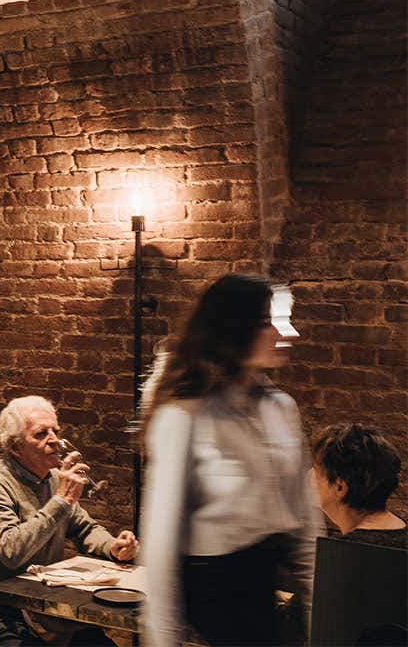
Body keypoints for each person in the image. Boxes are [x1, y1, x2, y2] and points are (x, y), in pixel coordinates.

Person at [140, 274, 320, 647]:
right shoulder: (186, 416)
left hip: (265, 585)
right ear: (236, 329)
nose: (285, 333)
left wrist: (320, 606)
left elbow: (305, 523)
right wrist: (162, 640)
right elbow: (160, 541)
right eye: (268, 321)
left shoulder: (281, 409)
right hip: (213, 597)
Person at [0, 395, 138, 645]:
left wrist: (113, 547)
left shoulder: (52, 478)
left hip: (37, 601)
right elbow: (11, 551)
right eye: (41, 434)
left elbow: (84, 528)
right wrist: (61, 500)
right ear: (15, 447)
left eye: (56, 431)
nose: (54, 440)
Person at [312, 423, 406, 549]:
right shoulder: (401, 532)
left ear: (340, 487)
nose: (310, 476)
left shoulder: (345, 553)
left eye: (316, 471)